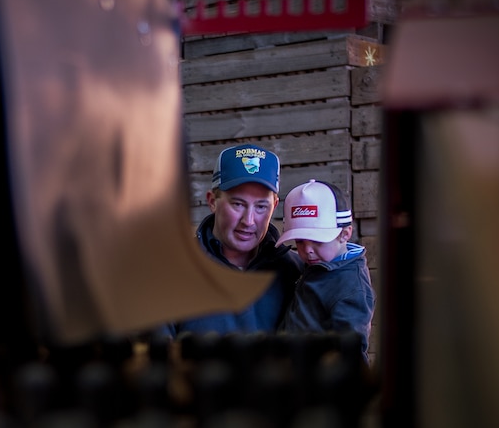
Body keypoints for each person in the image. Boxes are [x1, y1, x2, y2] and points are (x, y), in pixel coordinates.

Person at [156, 143, 304, 338]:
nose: (248, 221)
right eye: (238, 204)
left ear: (274, 206)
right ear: (212, 201)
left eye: (261, 207)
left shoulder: (296, 272)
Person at [275, 179, 376, 364]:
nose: (307, 250)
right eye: (299, 241)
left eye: (318, 241)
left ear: (345, 233)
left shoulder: (351, 289)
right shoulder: (318, 265)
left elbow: (350, 353)